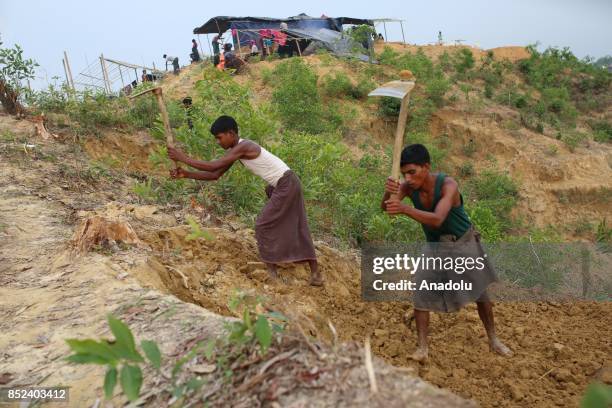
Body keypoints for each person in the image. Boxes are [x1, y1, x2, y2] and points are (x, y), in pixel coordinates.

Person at [381, 143, 512, 362]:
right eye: (405, 174)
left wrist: (404, 208)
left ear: (426, 167)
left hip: (463, 242)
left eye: (412, 172)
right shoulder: (408, 187)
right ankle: (422, 348)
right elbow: (386, 208)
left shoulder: (448, 185)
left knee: (481, 294)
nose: (409, 178)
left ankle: (493, 339)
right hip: (435, 246)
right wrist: (390, 191)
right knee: (421, 290)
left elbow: (438, 219)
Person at [167, 115, 323, 286]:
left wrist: (181, 157)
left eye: (219, 137)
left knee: (263, 224)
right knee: (294, 224)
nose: (218, 142)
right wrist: (187, 174)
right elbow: (215, 175)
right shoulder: (236, 150)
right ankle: (314, 274)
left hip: (287, 184)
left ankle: (272, 272)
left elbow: (213, 166)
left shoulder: (244, 146)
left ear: (231, 133)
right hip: (283, 185)